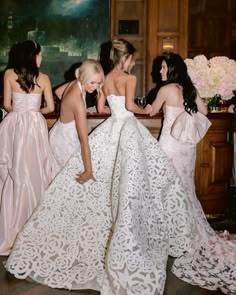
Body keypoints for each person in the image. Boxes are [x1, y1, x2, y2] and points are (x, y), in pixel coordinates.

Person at [5, 39, 195, 295]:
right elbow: (126, 108)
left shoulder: (101, 79)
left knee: (112, 180)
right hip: (126, 125)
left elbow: (102, 106)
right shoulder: (127, 79)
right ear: (126, 60)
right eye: (93, 84)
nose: (95, 86)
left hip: (109, 128)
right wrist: (145, 109)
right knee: (130, 180)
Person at [150, 52, 236, 294]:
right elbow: (205, 113)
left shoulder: (166, 90)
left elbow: (150, 111)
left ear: (172, 69)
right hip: (186, 148)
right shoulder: (190, 88)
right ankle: (183, 233)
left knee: (164, 189)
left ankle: (168, 235)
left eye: (164, 67)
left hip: (169, 145)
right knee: (184, 189)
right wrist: (185, 120)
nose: (161, 72)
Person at [0, 40, 59, 255]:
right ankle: (36, 225)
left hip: (14, 125)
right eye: (40, 55)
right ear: (33, 56)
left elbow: (6, 104)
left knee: (13, 172)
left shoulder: (8, 74)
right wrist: (33, 113)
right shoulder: (43, 78)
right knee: (36, 171)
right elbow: (51, 107)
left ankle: (12, 227)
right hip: (35, 127)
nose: (41, 58)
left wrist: (20, 112)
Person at [49, 59, 105, 178]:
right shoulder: (78, 102)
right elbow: (84, 141)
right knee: (72, 179)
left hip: (58, 132)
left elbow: (58, 92)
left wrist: (70, 110)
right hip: (65, 142)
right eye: (92, 82)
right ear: (84, 77)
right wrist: (89, 171)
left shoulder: (75, 83)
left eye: (98, 83)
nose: (95, 87)